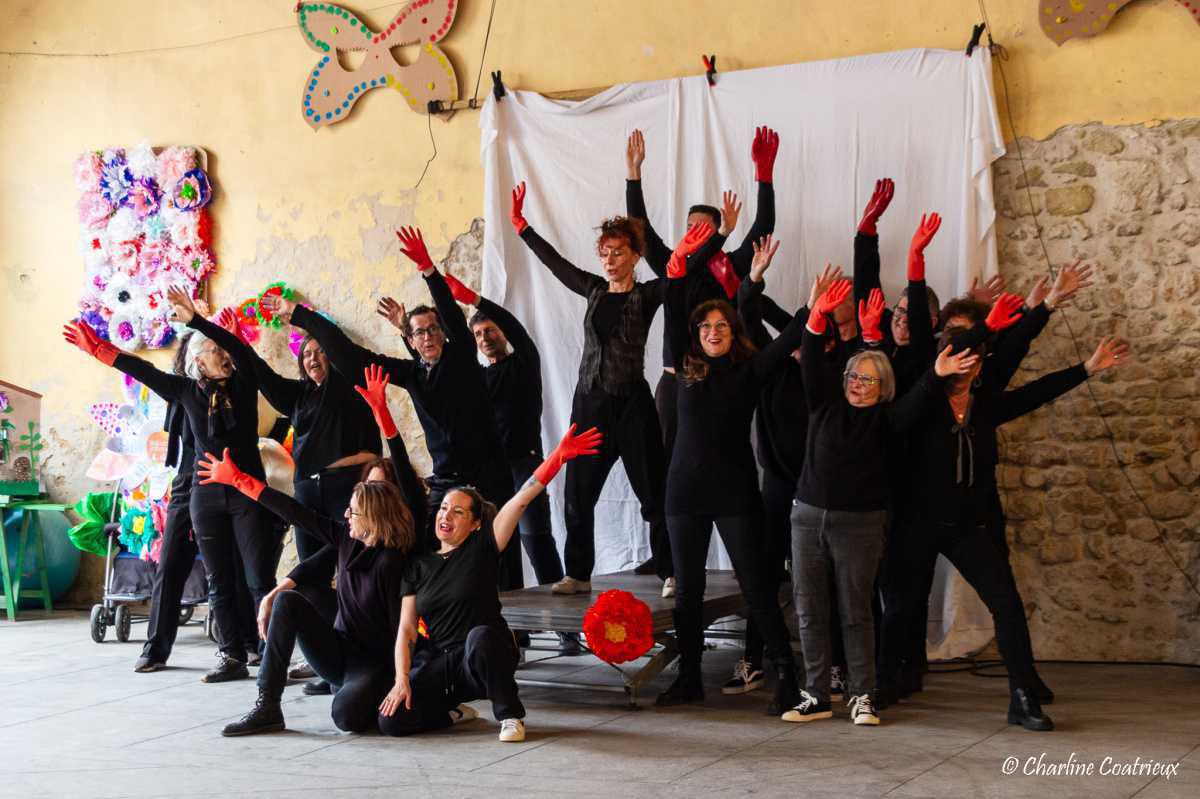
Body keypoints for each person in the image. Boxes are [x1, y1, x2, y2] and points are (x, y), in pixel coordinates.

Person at [897, 310, 1130, 731]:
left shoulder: (983, 405)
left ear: (980, 366)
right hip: (917, 523)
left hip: (968, 526)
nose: (963, 368)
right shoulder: (922, 401)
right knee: (900, 603)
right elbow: (899, 419)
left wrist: (1088, 368)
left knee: (1006, 603)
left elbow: (1035, 393)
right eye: (955, 359)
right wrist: (934, 374)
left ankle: (1022, 695)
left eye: (972, 361)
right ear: (942, 359)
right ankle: (885, 681)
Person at [261, 229, 518, 592]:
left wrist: (429, 269)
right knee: (430, 556)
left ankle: (512, 637)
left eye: (433, 330)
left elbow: (451, 315)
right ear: (410, 340)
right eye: (419, 333)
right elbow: (353, 358)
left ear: (442, 334)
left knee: (499, 554)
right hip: (446, 479)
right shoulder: (412, 374)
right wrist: (301, 316)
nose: (427, 336)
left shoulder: (461, 357)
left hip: (488, 475)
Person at [782, 279, 980, 727]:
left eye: (868, 379)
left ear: (883, 387)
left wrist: (940, 370)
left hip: (861, 525)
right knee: (810, 611)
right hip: (807, 518)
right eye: (853, 376)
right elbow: (812, 358)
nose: (857, 384)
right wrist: (816, 316)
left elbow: (922, 394)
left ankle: (862, 696)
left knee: (856, 614)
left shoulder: (890, 420)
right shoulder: (824, 405)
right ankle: (815, 694)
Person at [65, 288, 279, 683]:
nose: (226, 356)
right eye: (216, 350)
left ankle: (268, 652)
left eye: (224, 349)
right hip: (201, 492)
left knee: (257, 576)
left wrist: (197, 319)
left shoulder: (244, 385)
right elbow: (141, 370)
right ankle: (229, 654)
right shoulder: (185, 391)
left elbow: (241, 351)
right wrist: (99, 351)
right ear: (198, 360)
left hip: (246, 488)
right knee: (212, 579)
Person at [216, 365, 440, 736]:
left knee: (347, 719)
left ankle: (390, 699)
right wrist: (239, 480)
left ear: (375, 513)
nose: (346, 515)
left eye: (353, 510)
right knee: (289, 602)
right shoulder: (345, 538)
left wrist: (383, 415)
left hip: (376, 663)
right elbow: (295, 511)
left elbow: (407, 481)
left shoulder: (403, 552)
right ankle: (267, 705)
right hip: (339, 652)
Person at [380, 278, 583, 653]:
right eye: (478, 333)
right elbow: (431, 376)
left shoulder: (523, 362)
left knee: (535, 539)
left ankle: (565, 629)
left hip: (523, 464)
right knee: (490, 552)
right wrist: (403, 336)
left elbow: (518, 333)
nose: (485, 337)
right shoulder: (473, 375)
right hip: (489, 471)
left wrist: (475, 299)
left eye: (491, 330)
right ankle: (509, 631)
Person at [654, 228, 806, 716]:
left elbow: (791, 342)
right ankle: (690, 678)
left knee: (756, 585)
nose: (713, 331)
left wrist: (769, 289)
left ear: (732, 331)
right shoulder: (685, 367)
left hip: (735, 493)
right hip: (683, 494)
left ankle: (786, 675)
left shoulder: (750, 370)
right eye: (706, 327)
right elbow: (675, 307)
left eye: (722, 325)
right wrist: (677, 267)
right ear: (697, 336)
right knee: (688, 592)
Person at [377, 424, 604, 742]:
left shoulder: (483, 547)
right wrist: (401, 679)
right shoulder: (418, 565)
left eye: (458, 511)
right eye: (444, 508)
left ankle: (511, 716)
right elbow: (406, 630)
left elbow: (522, 498)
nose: (447, 515)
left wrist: (557, 457)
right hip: (443, 663)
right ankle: (451, 713)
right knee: (391, 721)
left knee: (481, 636)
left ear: (475, 524)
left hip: (485, 654)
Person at [511, 181, 679, 594]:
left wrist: (685, 258)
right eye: (603, 252)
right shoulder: (593, 289)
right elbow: (556, 263)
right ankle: (579, 575)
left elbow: (677, 279)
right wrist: (522, 228)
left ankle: (671, 571)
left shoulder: (648, 293)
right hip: (589, 404)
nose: (608, 259)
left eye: (618, 251)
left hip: (633, 405)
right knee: (577, 495)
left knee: (653, 493)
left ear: (636, 255)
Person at [624, 128, 783, 488]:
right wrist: (633, 175)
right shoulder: (671, 264)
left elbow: (764, 226)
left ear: (718, 232)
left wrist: (765, 176)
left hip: (724, 381)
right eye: (689, 227)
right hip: (676, 381)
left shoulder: (730, 265)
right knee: (667, 472)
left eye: (703, 229)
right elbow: (641, 230)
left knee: (729, 467)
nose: (693, 234)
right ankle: (667, 543)